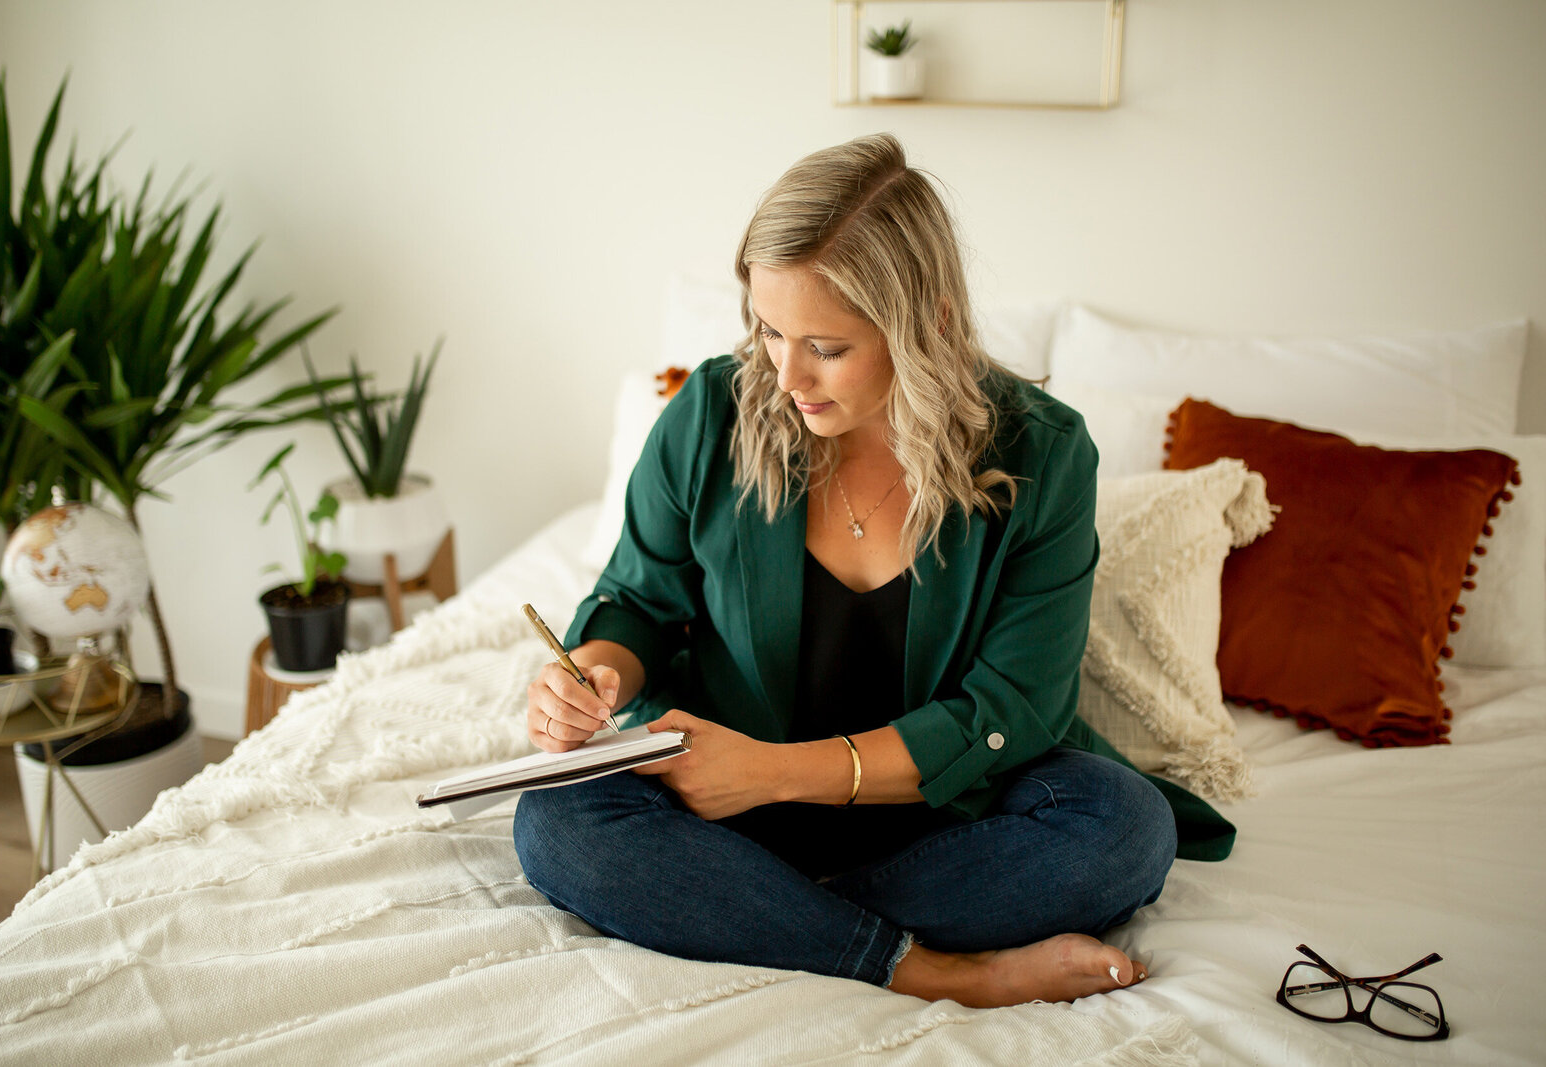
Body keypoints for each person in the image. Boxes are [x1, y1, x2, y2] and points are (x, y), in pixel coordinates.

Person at [513, 133, 1234, 1009]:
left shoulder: (1044, 453)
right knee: (556, 818)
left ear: (924, 321)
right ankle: (938, 969)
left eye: (826, 345)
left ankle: (744, 912)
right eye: (770, 330)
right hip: (724, 806)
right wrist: (596, 670)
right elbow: (638, 601)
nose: (785, 375)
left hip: (945, 814)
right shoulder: (709, 412)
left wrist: (775, 773)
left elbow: (1018, 708)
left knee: (1123, 828)